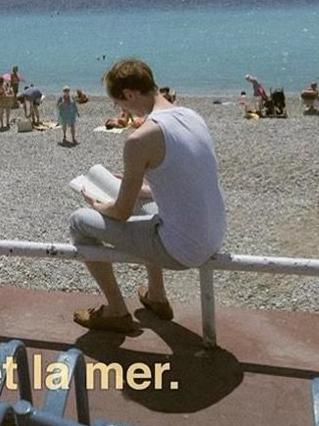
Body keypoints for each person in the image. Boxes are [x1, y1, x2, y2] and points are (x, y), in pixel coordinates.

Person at [70, 58, 226, 333]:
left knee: (79, 222)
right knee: (145, 202)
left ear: (130, 94)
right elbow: (177, 185)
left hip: (184, 250)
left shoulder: (140, 139)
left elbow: (121, 213)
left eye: (120, 103)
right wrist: (133, 189)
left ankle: (116, 310)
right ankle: (156, 295)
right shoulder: (192, 116)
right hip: (213, 235)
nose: (121, 110)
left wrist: (99, 205)